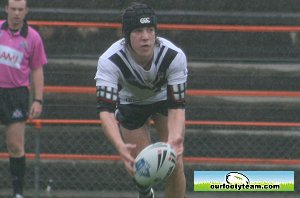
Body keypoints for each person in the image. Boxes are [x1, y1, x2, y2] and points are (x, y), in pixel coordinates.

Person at [95, 2, 187, 198]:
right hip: (130, 102)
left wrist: (175, 137)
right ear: (126, 36)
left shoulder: (174, 56)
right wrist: (119, 145)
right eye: (138, 31)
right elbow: (106, 112)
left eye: (150, 29)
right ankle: (145, 191)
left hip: (163, 100)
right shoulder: (109, 61)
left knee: (175, 162)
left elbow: (177, 106)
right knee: (142, 170)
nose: (145, 37)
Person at [0, 0, 47, 197]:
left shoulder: (33, 37)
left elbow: (37, 69)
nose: (17, 13)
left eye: (21, 9)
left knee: (15, 145)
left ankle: (18, 192)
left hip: (17, 94)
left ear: (26, 11)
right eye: (13, 9)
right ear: (6, 9)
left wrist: (38, 100)